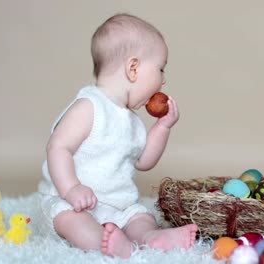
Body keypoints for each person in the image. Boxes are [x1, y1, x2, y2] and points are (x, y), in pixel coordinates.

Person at [38, 13, 198, 258]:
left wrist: (162, 128)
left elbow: (143, 161)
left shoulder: (132, 121)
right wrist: (72, 189)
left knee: (140, 217)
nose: (163, 80)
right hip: (73, 203)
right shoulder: (89, 106)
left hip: (117, 206)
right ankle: (106, 243)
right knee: (72, 221)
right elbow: (58, 147)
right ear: (133, 68)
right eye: (160, 69)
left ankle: (150, 238)